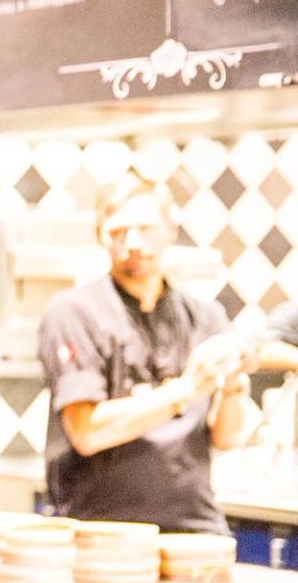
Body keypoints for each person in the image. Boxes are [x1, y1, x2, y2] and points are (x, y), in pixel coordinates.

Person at [37, 173, 257, 533]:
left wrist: (233, 386)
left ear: (171, 229)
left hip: (196, 528)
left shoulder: (206, 316)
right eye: (118, 231)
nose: (134, 243)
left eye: (146, 228)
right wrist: (185, 389)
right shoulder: (73, 313)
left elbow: (226, 438)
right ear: (100, 235)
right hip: (103, 530)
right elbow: (87, 432)